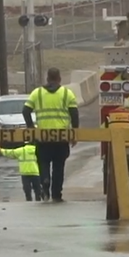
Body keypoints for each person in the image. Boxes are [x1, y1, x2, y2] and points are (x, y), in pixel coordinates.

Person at [22, 67, 79, 202]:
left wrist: (31, 128)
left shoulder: (37, 93)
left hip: (42, 137)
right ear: (59, 79)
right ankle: (56, 194)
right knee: (59, 167)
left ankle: (45, 181)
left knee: (43, 162)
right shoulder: (67, 93)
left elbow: (25, 110)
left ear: (47, 78)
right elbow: (74, 115)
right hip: (61, 137)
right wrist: (74, 133)